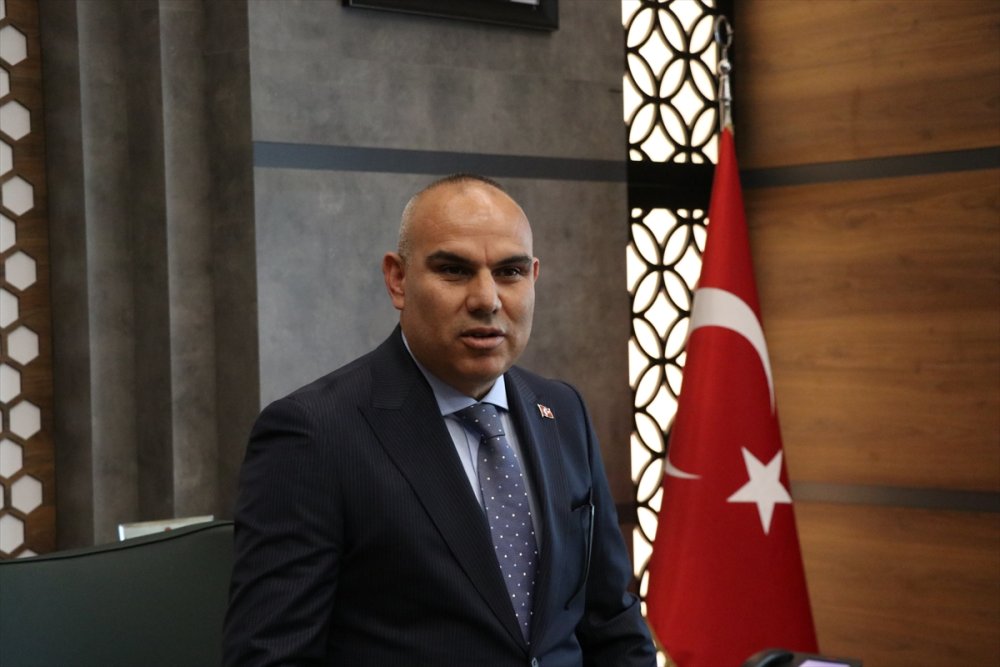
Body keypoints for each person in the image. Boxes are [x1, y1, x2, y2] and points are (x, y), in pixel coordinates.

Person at [223, 174, 656, 667]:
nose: (487, 299)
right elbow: (271, 656)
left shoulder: (562, 410)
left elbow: (612, 624)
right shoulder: (314, 434)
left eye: (510, 272)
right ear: (398, 280)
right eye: (454, 270)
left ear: (533, 277)